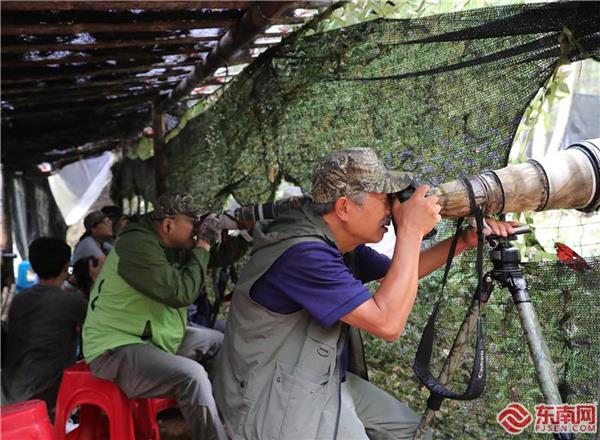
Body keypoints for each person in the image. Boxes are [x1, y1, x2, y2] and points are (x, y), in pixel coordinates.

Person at [214, 148, 517, 439]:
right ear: (344, 207)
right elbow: (387, 324)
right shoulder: (302, 255)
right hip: (271, 400)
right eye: (383, 199)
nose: (390, 208)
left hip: (318, 378)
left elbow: (397, 274)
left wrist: (463, 241)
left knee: (416, 432)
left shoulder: (333, 238)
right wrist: (410, 231)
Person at [82, 193, 227, 440]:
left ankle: (229, 422)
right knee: (192, 376)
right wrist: (202, 244)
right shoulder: (137, 246)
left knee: (218, 341)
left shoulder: (165, 243)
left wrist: (243, 232)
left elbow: (209, 260)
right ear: (168, 224)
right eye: (193, 222)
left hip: (151, 336)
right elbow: (181, 293)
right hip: (114, 347)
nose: (197, 229)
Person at [2, 237, 87, 411]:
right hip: (45, 396)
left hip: (10, 391)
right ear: (66, 266)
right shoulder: (73, 302)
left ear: (33, 267)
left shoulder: (19, 300)